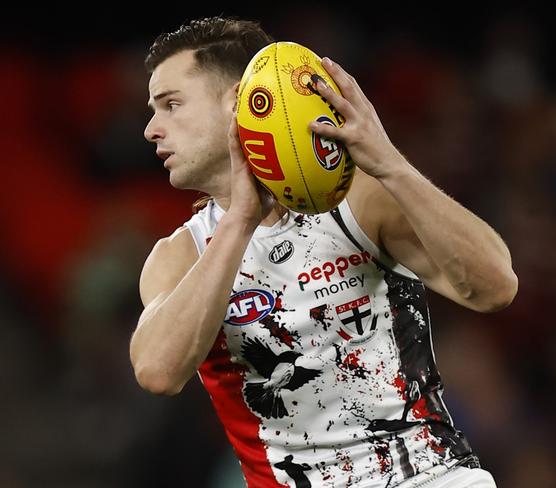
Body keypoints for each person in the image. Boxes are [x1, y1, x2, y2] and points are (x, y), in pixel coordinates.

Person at [130, 15, 518, 488]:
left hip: (427, 476)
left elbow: (495, 287)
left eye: (171, 105)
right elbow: (157, 372)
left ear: (239, 104)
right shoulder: (181, 255)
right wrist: (238, 221)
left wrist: (392, 165)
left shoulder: (358, 201)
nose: (152, 129)